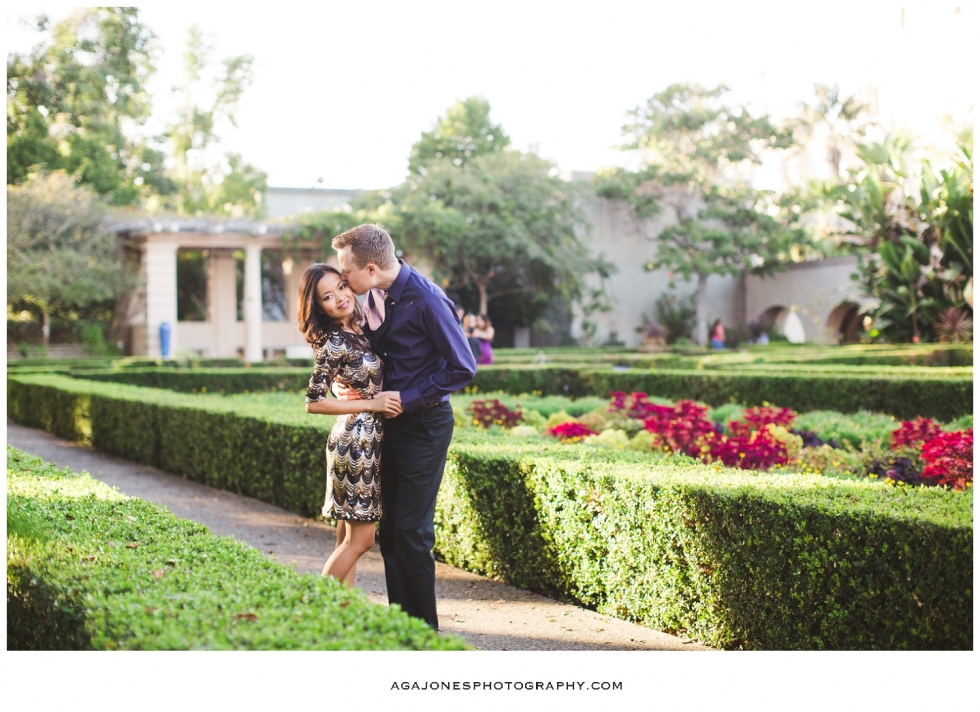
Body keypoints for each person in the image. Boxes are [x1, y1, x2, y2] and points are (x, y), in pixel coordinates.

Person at [332, 223, 477, 630]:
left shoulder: (428, 300)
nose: (343, 278)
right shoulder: (376, 294)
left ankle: (425, 635)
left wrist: (406, 399)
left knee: (412, 532)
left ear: (371, 269)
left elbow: (463, 367)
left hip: (424, 425)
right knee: (393, 532)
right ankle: (404, 628)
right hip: (389, 426)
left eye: (346, 271)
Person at [297, 263, 403, 586]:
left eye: (341, 287)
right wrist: (371, 403)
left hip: (364, 437)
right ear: (318, 307)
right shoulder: (335, 342)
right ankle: (315, 603)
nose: (340, 298)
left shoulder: (360, 328)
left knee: (346, 537)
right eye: (327, 296)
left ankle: (342, 609)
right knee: (361, 541)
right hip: (356, 443)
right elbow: (313, 402)